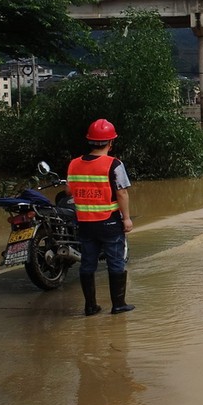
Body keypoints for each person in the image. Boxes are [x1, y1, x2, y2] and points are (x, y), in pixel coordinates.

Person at [67, 118, 135, 316]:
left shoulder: (74, 164)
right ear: (111, 142)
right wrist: (127, 218)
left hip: (85, 223)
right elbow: (122, 192)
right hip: (109, 221)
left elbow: (68, 191)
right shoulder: (114, 164)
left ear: (90, 141)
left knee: (87, 263)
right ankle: (118, 304)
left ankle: (90, 306)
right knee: (116, 262)